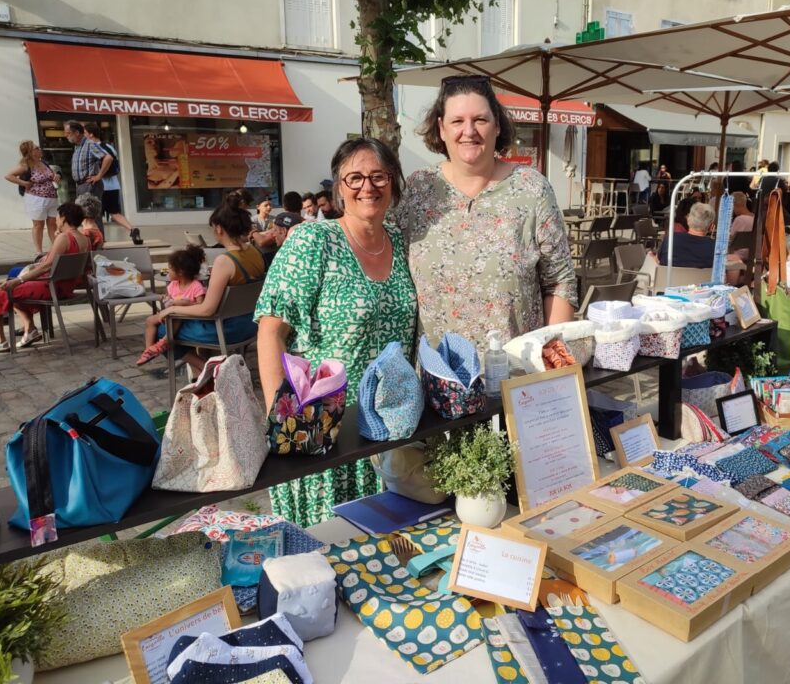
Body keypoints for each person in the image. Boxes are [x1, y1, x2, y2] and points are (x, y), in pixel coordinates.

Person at [256, 138, 417, 526]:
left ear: (393, 182)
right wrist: (285, 421)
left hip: (389, 430)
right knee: (327, 556)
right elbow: (271, 332)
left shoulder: (400, 239)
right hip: (323, 434)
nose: (368, 187)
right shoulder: (315, 241)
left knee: (387, 550)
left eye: (379, 176)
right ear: (339, 187)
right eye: (355, 177)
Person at [396, 74, 577, 354]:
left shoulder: (531, 189)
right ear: (441, 129)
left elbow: (559, 282)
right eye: (457, 121)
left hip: (516, 376)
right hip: (438, 380)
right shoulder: (417, 191)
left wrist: (552, 361)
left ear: (497, 127)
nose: (469, 131)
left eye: (480, 120)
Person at [159, 194, 265, 373]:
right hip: (250, 325)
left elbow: (207, 310)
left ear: (219, 228)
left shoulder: (224, 261)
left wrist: (171, 309)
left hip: (226, 330)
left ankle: (210, 371)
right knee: (184, 323)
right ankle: (203, 373)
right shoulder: (255, 252)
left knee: (160, 331)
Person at [0, 202, 90, 354]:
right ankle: (30, 329)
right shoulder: (84, 239)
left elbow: (46, 267)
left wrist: (19, 280)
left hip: (52, 287)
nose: (56, 220)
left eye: (58, 217)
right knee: (15, 289)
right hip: (65, 287)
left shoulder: (64, 238)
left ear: (64, 218)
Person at [136, 245, 206, 365]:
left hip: (187, 318)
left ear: (180, 272)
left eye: (170, 268)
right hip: (171, 315)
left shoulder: (196, 286)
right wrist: (167, 300)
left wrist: (186, 303)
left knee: (177, 314)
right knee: (150, 321)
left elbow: (201, 305)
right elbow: (169, 301)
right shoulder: (172, 285)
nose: (168, 271)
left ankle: (165, 341)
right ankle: (149, 350)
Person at [83, 123, 141, 244]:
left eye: (85, 133)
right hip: (113, 185)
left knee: (93, 215)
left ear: (91, 134)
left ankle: (98, 240)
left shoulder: (91, 148)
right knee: (115, 213)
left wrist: (98, 176)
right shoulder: (110, 147)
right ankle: (132, 229)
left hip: (100, 186)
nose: (84, 135)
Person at [5, 140, 60, 255]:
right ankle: (39, 251)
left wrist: (56, 176)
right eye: (36, 148)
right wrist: (24, 183)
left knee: (52, 223)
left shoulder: (44, 162)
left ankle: (56, 249)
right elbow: (8, 176)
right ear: (30, 152)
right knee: (38, 225)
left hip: (52, 198)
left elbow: (52, 175)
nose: (40, 150)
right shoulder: (25, 166)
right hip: (36, 199)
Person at [657, 202, 716, 268]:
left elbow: (659, 261)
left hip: (671, 278)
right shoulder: (716, 249)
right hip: (704, 278)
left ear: (688, 220)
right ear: (711, 227)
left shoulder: (671, 240)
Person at [728, 191, 754, 261]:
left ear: (734, 205)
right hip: (751, 254)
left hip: (737, 255)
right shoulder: (755, 218)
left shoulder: (740, 219)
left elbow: (730, 239)